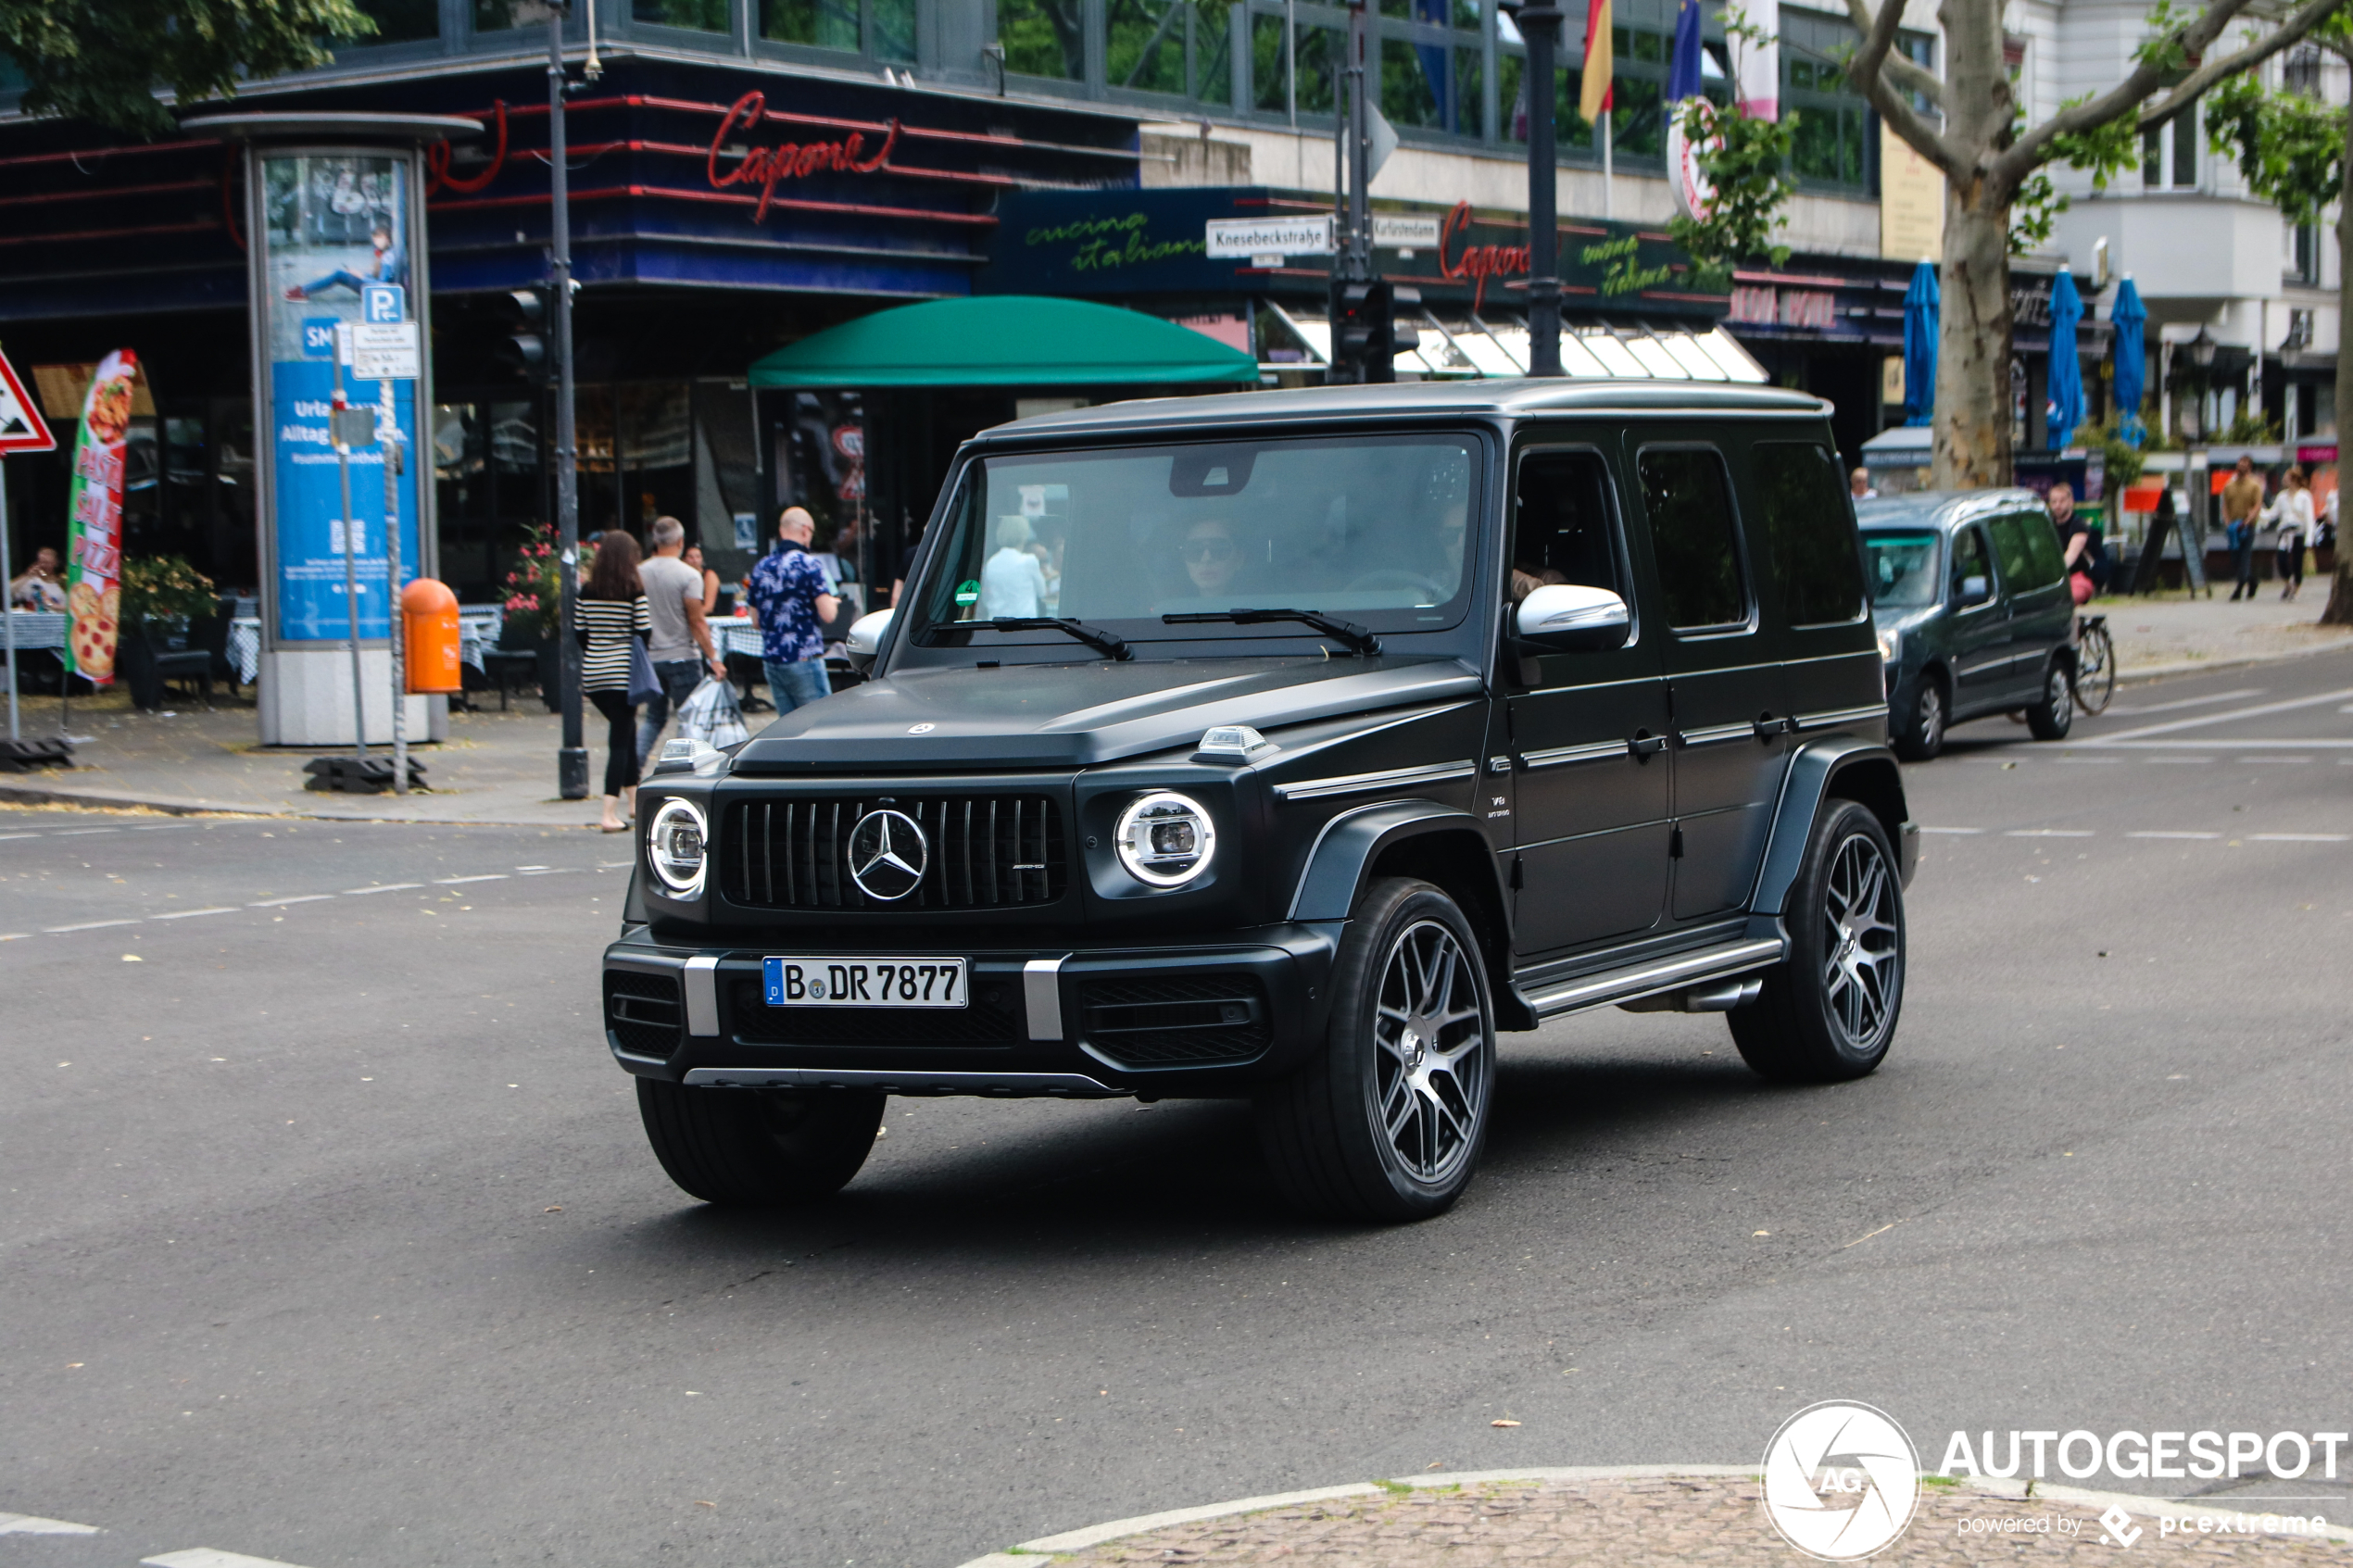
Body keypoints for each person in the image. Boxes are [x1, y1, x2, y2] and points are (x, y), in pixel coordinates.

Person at [635, 517, 727, 766]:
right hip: (682, 656)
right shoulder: (689, 575)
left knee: (654, 718)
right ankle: (683, 768)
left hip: (651, 658)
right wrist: (714, 658)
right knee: (691, 718)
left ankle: (633, 767)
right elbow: (697, 622)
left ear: (655, 541)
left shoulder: (639, 573)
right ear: (680, 542)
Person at [577, 529, 651, 833]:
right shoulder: (634, 590)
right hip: (623, 676)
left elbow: (579, 633)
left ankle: (634, 804)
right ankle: (609, 813)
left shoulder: (587, 590)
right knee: (619, 743)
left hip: (594, 676)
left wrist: (599, 650)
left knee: (627, 731)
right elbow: (644, 632)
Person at [745, 506, 839, 713]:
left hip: (772, 660)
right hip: (803, 657)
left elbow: (755, 621)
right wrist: (832, 602)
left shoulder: (761, 567)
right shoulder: (809, 564)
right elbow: (828, 615)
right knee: (819, 726)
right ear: (806, 530)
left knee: (788, 731)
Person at [284, 219, 404, 300]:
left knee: (339, 274)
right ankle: (304, 289)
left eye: (379, 238)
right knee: (341, 274)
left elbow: (382, 285)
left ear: (388, 239)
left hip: (377, 293)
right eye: (375, 238)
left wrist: (360, 275)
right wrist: (361, 274)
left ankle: (303, 291)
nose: (376, 241)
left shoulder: (388, 257)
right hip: (373, 289)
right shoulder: (386, 253)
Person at [979, 515, 1050, 619]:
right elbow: (1042, 592)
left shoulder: (991, 563)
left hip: (996, 623)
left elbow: (986, 597)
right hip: (1023, 624)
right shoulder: (1029, 561)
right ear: (1024, 535)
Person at [2263, 465, 2314, 601]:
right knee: (2281, 560)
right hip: (2285, 533)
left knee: (2297, 563)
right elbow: (2273, 514)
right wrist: (2260, 512)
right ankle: (2287, 583)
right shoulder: (2281, 497)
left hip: (2298, 533)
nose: (2283, 480)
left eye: (2286, 477)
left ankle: (2296, 588)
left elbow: (2309, 518)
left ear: (2293, 479)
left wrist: (2309, 539)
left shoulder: (2305, 496)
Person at [2221, 456, 2265, 601]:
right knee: (2235, 559)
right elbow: (2225, 505)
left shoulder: (2254, 485)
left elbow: (2257, 505)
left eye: (2244, 465)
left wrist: (2247, 521)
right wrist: (2227, 522)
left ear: (2249, 468)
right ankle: (2252, 581)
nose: (2241, 467)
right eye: (2239, 464)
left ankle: (2239, 588)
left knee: (2245, 557)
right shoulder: (2229, 486)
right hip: (2233, 527)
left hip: (2247, 527)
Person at [2048, 483, 2101, 605]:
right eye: (2054, 502)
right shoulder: (2047, 525)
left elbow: (2071, 555)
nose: (2057, 505)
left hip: (2078, 577)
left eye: (2062, 501)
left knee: (2067, 599)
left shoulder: (2079, 525)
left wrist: (2054, 572)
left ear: (2071, 502)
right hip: (2053, 580)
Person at [1177, 517, 1239, 600]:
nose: (1206, 559)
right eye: (1195, 550)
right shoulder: (1169, 610)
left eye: (1219, 549)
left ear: (1239, 558)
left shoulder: (1260, 607)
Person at [9, 546, 66, 611]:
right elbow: (8, 591)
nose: (43, 565)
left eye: (47, 563)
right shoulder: (32, 581)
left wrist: (51, 605)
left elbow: (71, 609)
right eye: (41, 562)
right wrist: (27, 576)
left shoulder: (62, 583)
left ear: (55, 563)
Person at [682, 543, 722, 614]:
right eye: (690, 557)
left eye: (698, 557)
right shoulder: (682, 577)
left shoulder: (709, 575)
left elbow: (708, 607)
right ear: (684, 560)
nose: (695, 560)